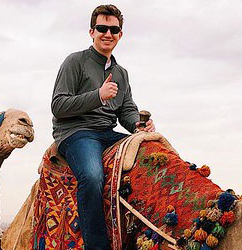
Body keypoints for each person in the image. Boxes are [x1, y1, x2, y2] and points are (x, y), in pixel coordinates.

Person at [50, 4, 154, 249]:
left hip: (107, 133)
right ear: (91, 32)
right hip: (76, 133)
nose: (108, 34)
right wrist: (98, 95)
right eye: (102, 28)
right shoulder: (74, 62)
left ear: (120, 34)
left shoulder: (121, 73)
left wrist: (139, 126)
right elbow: (58, 105)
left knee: (153, 156)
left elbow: (127, 110)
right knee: (92, 176)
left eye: (114, 29)